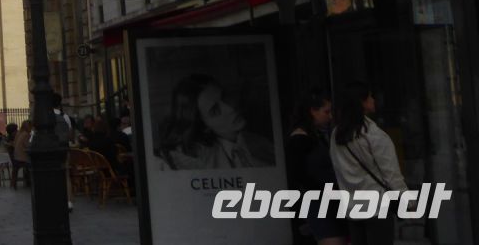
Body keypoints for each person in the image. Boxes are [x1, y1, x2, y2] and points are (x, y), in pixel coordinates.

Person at [330, 82, 406, 245]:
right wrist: (406, 200)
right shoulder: (373, 135)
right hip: (377, 207)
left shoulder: (337, 134)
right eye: (370, 96)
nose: (373, 100)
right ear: (362, 103)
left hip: (352, 208)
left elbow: (338, 169)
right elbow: (391, 174)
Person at [156, 74, 275, 170]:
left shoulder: (262, 143)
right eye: (215, 110)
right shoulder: (196, 161)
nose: (230, 108)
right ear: (204, 125)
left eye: (225, 97)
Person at [287, 90, 346, 245]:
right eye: (326, 112)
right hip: (318, 202)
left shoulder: (317, 136)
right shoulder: (300, 139)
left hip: (328, 200)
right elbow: (298, 174)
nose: (330, 116)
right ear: (313, 111)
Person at [10, 120, 33, 188]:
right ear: (28, 127)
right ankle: (30, 182)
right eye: (31, 127)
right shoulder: (26, 134)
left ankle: (25, 181)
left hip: (16, 158)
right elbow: (28, 146)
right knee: (33, 163)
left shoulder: (18, 133)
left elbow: (14, 144)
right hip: (22, 159)